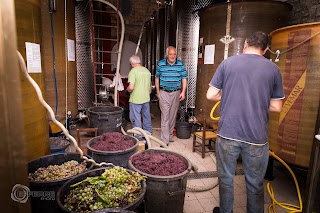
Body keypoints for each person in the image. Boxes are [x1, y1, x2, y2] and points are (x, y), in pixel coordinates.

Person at [206, 31, 284, 213]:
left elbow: (210, 95)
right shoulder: (273, 69)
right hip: (257, 137)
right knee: (255, 183)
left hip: (228, 133)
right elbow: (277, 107)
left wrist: (230, 94)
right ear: (265, 50)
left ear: (245, 45)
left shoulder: (228, 63)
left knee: (226, 179)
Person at [155, 46, 187, 144]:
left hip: (176, 92)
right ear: (167, 55)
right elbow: (157, 78)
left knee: (172, 116)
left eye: (174, 54)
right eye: (170, 54)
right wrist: (158, 92)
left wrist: (183, 92)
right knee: (165, 116)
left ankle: (169, 135)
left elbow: (184, 79)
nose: (172, 56)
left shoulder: (180, 64)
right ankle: (165, 140)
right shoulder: (160, 64)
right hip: (164, 92)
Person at [127, 55, 152, 134]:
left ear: (132, 63)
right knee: (146, 116)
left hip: (136, 99)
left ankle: (138, 135)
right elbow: (150, 88)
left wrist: (127, 90)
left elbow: (131, 87)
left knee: (135, 117)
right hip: (146, 98)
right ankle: (148, 132)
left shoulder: (133, 71)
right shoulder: (147, 71)